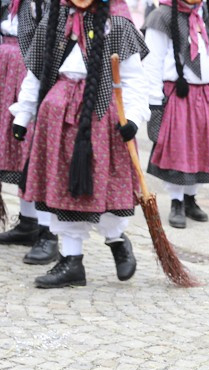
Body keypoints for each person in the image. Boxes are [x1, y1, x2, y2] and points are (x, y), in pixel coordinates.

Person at [13, 0, 150, 289]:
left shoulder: (118, 22)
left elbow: (135, 80)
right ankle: (71, 261)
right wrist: (23, 114)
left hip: (103, 119)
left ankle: (117, 240)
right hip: (57, 117)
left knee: (104, 187)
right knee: (63, 189)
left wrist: (134, 119)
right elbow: (36, 72)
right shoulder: (56, 18)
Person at [143, 0, 209, 229]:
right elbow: (153, 61)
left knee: (201, 147)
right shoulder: (162, 17)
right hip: (179, 94)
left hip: (208, 94)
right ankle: (176, 201)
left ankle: (191, 198)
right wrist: (154, 101)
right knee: (179, 149)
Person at [0, 0, 59, 263]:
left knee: (34, 151)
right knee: (12, 149)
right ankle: (28, 223)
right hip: (4, 74)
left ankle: (49, 231)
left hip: (32, 73)